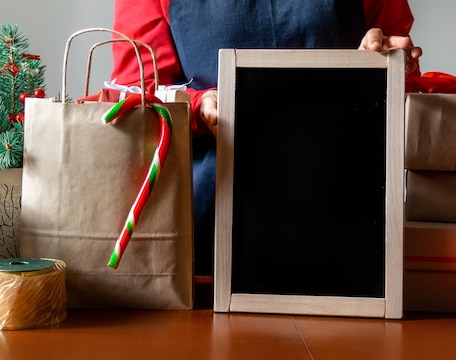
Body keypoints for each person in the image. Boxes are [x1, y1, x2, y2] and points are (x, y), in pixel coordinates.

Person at [111, 0, 422, 275]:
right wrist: (197, 106)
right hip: (210, 229)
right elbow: (136, 92)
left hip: (348, 215)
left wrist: (384, 63)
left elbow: (402, 82)